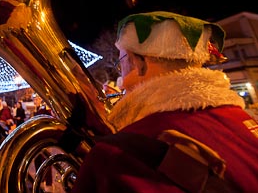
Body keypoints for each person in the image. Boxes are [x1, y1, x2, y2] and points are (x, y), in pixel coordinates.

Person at [71, 11, 258, 193]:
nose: (121, 75)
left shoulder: (115, 156)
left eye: (122, 62)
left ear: (139, 62)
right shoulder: (244, 120)